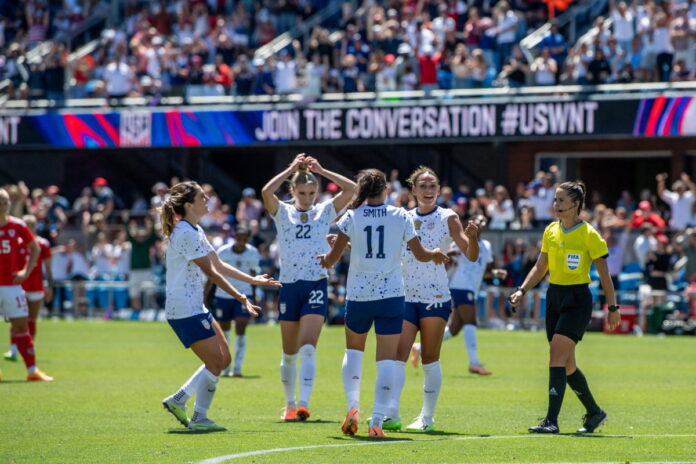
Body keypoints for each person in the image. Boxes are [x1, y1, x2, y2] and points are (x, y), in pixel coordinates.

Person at [317, 169, 449, 438]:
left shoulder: (352, 216)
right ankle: (377, 420)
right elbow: (421, 255)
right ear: (386, 189)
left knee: (354, 353)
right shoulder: (400, 215)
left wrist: (326, 258)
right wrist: (435, 253)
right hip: (391, 296)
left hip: (358, 296)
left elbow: (331, 260)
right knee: (387, 360)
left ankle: (353, 408)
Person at [160, 182, 280, 431]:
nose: (208, 200)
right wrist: (241, 297)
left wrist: (252, 280)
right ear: (189, 204)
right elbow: (212, 273)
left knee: (223, 359)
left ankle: (179, 401)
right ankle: (198, 416)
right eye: (203, 197)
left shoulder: (195, 229)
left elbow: (219, 264)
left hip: (194, 306)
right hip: (184, 308)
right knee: (216, 362)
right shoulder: (185, 232)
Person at [509, 181, 621, 434]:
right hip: (554, 298)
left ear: (576, 205)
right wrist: (521, 290)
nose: (555, 205)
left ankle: (551, 421)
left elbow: (605, 276)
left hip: (577, 301)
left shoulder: (589, 234)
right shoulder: (550, 230)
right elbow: (540, 267)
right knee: (567, 364)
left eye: (561, 200)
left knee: (556, 357)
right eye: (555, 200)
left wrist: (613, 308)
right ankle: (595, 413)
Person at [261, 153, 357, 422]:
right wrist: (291, 168)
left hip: (316, 283)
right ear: (292, 191)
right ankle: (289, 404)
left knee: (308, 348)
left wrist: (323, 170)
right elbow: (266, 191)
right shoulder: (283, 212)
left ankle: (304, 403)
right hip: (289, 286)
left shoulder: (324, 210)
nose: (307, 198)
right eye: (302, 193)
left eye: (312, 192)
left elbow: (352, 189)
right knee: (289, 353)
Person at [384, 166, 479, 433]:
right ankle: (392, 413)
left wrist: (472, 239)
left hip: (435, 297)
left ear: (438, 190)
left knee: (429, 357)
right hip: (404, 296)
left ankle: (427, 418)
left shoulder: (448, 217)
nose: (428, 190)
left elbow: (470, 254)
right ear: (412, 190)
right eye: (423, 186)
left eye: (432, 186)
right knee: (397, 355)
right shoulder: (402, 217)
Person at [442, 214, 506, 376]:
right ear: (470, 224)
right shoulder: (463, 241)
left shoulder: (486, 245)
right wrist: (450, 255)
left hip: (471, 287)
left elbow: (483, 271)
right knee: (470, 321)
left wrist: (496, 273)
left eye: (484, 220)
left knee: (454, 329)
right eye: (478, 220)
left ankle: (419, 347)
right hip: (461, 285)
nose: (481, 222)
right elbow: (448, 254)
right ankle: (474, 363)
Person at [0, 189, 53, 381]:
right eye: (0, 202)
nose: (2, 206)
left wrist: (25, 271)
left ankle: (32, 371)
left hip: (12, 285)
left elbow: (35, 248)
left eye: (4, 202)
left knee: (22, 326)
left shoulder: (18, 225)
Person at [204, 225, 261, 377]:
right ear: (234, 237)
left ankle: (237, 368)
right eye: (239, 238)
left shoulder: (253, 253)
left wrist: (254, 297)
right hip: (224, 295)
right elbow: (212, 273)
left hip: (244, 294)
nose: (241, 242)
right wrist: (206, 294)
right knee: (225, 330)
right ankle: (226, 366)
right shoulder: (223, 252)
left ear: (247, 239)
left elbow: (254, 275)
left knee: (241, 327)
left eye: (244, 239)